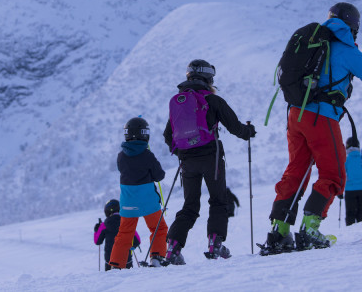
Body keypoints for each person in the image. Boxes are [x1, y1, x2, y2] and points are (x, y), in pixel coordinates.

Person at [262, 2, 362, 254]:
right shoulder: (346, 49)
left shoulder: (315, 42)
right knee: (334, 172)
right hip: (320, 117)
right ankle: (309, 230)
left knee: (296, 171)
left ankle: (279, 233)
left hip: (295, 114)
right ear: (354, 26)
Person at [163, 59, 256, 264]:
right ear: (209, 78)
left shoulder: (179, 101)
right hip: (211, 159)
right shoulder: (214, 100)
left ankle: (173, 247)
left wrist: (182, 153)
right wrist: (249, 131)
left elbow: (168, 135)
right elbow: (236, 128)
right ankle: (215, 243)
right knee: (218, 200)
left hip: (188, 162)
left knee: (190, 206)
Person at [109, 117, 169, 268]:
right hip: (148, 201)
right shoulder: (147, 155)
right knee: (159, 229)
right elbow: (159, 175)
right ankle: (156, 258)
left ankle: (116, 264)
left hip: (128, 202)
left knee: (124, 234)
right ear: (144, 134)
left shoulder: (121, 156)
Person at [94, 199, 141, 271]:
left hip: (110, 261)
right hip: (126, 260)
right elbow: (137, 240)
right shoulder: (126, 223)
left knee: (112, 281)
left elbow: (97, 241)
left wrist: (96, 230)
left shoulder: (104, 225)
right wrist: (131, 247)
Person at [343, 137, 362, 226]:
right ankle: (361, 231)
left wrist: (339, 190)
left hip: (350, 190)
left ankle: (350, 233)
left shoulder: (345, 160)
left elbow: (342, 175)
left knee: (350, 213)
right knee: (361, 212)